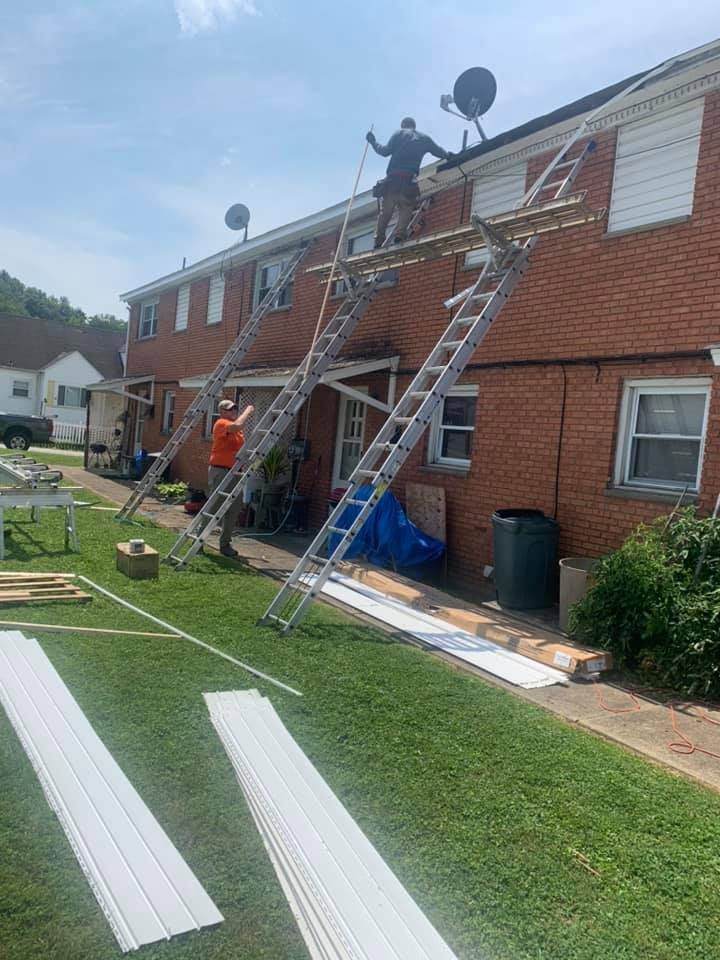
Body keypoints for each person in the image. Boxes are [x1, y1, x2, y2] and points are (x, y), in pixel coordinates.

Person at [367, 117, 451, 247]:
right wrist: (451, 155)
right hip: (409, 181)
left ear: (403, 125)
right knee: (406, 208)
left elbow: (384, 151)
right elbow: (439, 151)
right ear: (414, 126)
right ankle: (400, 235)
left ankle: (379, 240)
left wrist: (373, 142)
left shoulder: (399, 133)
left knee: (386, 212)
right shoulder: (424, 138)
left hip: (393, 181)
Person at [207, 398, 254, 558]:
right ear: (221, 411)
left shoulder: (237, 432)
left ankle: (225, 544)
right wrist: (248, 410)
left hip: (234, 472)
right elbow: (237, 426)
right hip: (220, 471)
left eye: (234, 409)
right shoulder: (221, 423)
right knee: (215, 507)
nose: (233, 411)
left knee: (234, 508)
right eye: (229, 409)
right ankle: (198, 539)